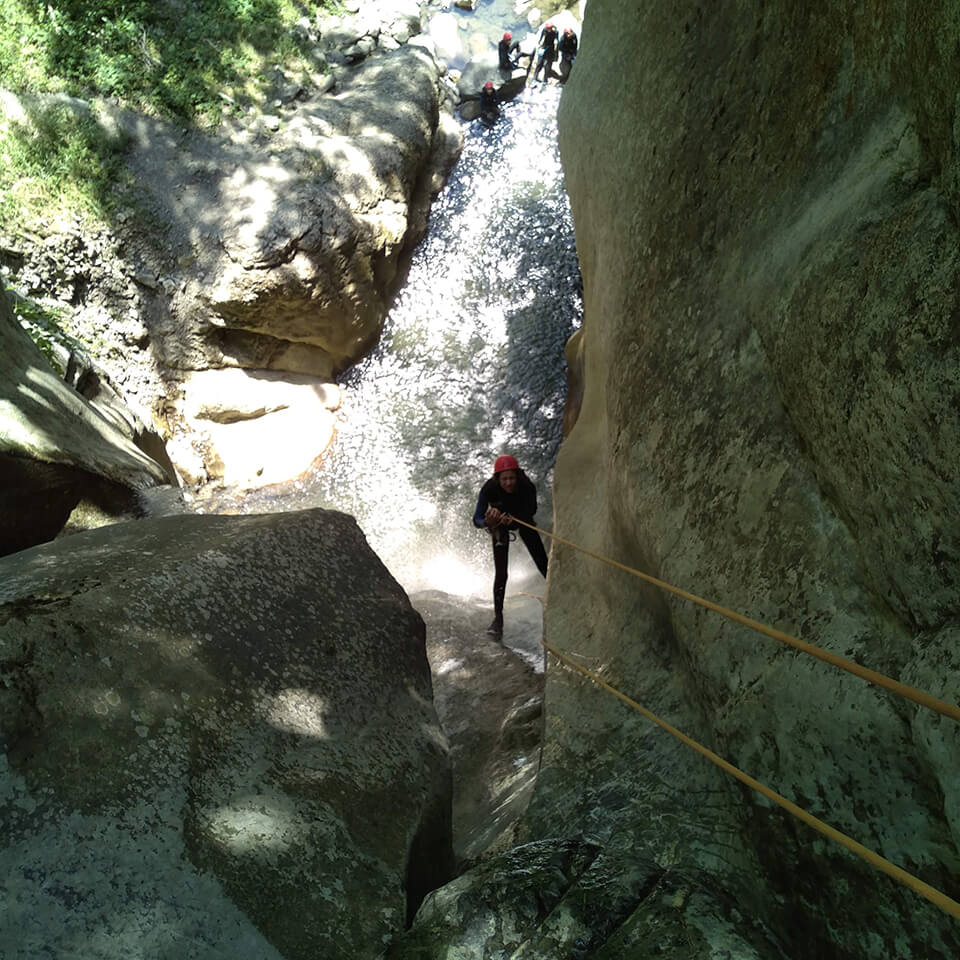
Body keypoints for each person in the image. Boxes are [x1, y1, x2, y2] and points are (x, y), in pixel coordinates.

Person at [473, 454, 549, 638]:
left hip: (522, 520)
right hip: (499, 524)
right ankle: (498, 620)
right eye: (504, 479)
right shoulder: (489, 488)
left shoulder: (526, 486)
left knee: (543, 563)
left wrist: (514, 518)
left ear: (517, 476)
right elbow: (476, 519)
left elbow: (531, 509)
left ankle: (560, 599)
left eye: (511, 478)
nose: (508, 483)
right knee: (501, 574)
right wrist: (488, 522)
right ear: (497, 479)